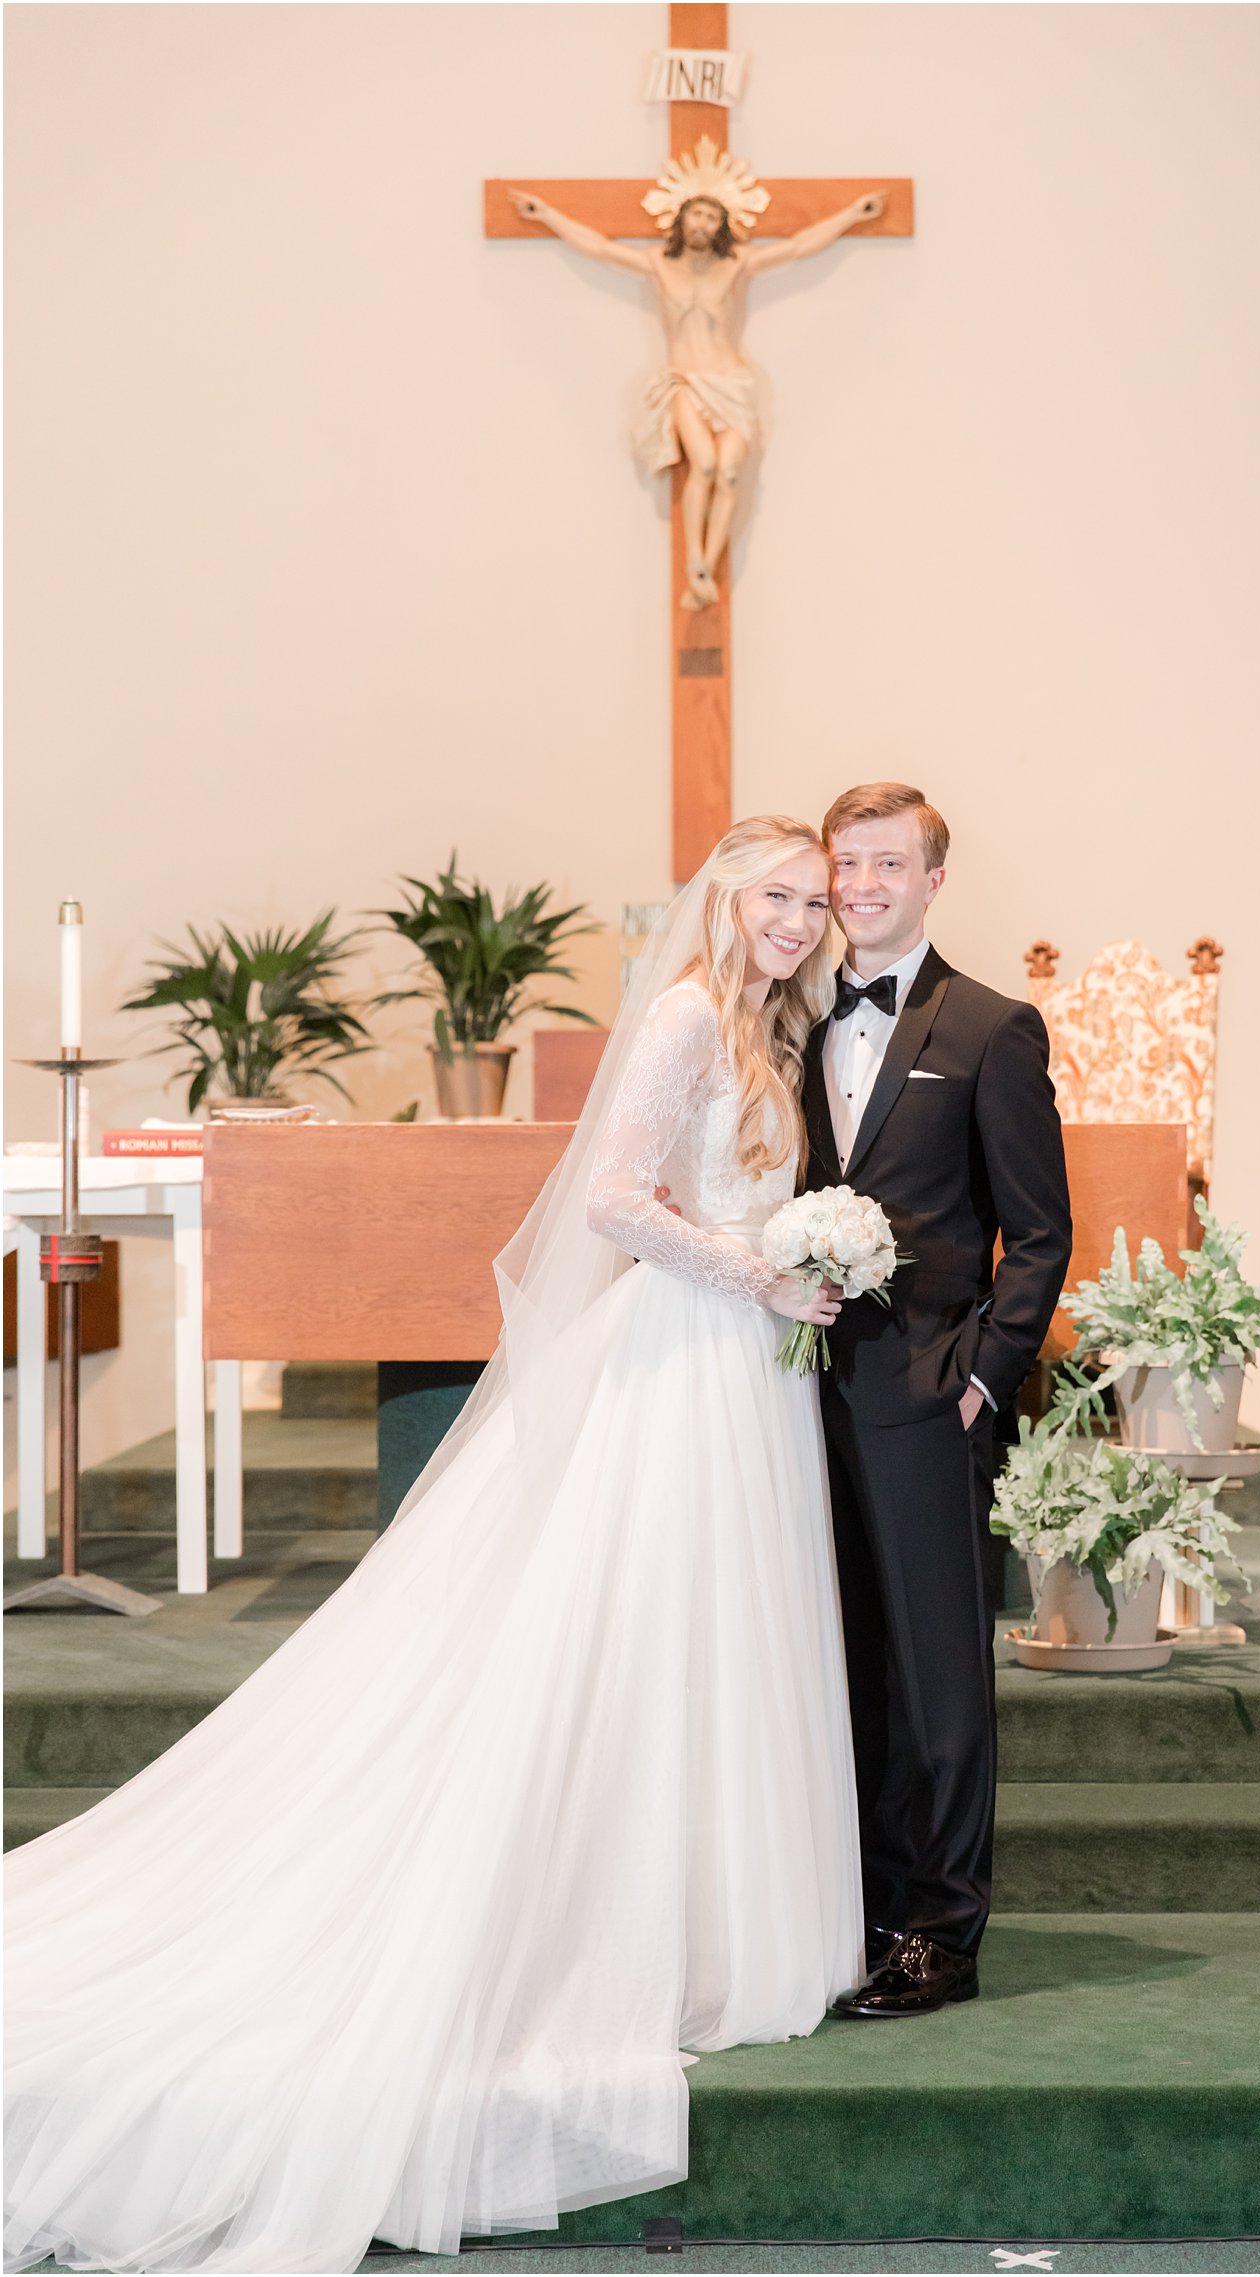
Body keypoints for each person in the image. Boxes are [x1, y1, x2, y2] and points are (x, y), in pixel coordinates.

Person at [4, 817, 862, 2277]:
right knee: (642, 1626)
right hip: (682, 1351)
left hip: (749, 1376)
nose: (795, 919)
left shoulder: (779, 1022)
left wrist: (792, 1264)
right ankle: (631, 1925)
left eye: (812, 901)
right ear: (726, 899)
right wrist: (756, 1266)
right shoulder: (677, 1016)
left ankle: (726, 1916)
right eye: (773, 896)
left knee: (732, 1634)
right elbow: (610, 1199)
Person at [802, 782, 1072, 2019]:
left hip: (924, 1396)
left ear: (932, 878)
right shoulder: (789, 1015)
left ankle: (937, 1932)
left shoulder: (990, 1027)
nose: (861, 885)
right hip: (792, 1397)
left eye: (886, 865)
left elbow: (1039, 1231)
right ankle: (847, 1908)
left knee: (936, 1675)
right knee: (834, 1659)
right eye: (845, 863)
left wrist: (979, 1375)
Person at [506, 184, 885, 608]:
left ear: (721, 226)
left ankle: (707, 566)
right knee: (702, 465)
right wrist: (546, 215)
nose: (701, 223)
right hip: (686, 381)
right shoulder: (658, 265)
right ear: (681, 218)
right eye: (695, 214)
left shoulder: (736, 265)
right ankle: (696, 564)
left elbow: (798, 248)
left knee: (731, 473)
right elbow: (599, 248)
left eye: (711, 216)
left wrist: (853, 213)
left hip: (732, 383)